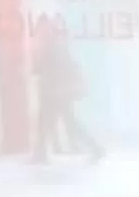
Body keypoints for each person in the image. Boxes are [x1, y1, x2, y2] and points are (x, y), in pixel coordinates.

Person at [33, 20, 102, 164]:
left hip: (56, 93)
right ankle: (40, 154)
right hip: (56, 92)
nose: (40, 33)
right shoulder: (53, 45)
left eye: (42, 30)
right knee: (51, 123)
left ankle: (96, 148)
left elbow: (53, 69)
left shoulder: (54, 46)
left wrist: (42, 72)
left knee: (60, 123)